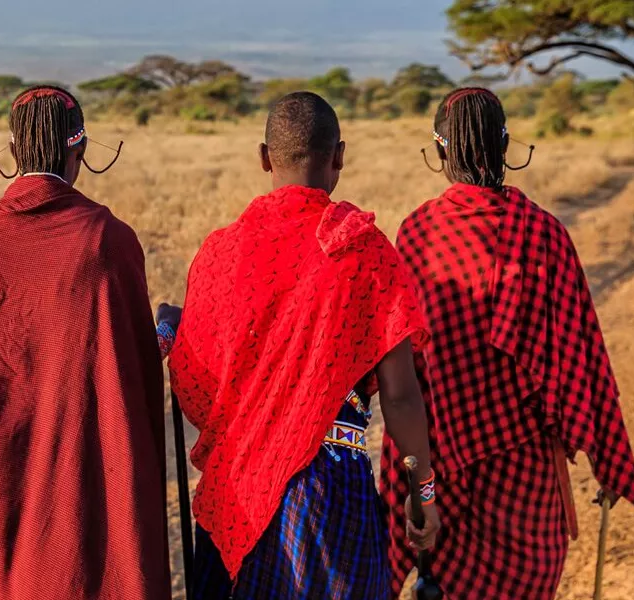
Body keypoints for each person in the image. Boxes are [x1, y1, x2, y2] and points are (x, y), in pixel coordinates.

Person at [163, 92, 440, 599]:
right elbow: (400, 396)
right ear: (339, 157)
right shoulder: (366, 251)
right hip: (332, 498)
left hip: (237, 489)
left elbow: (194, 388)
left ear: (265, 158)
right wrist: (424, 493)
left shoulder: (220, 253)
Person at [0, 85, 170, 600]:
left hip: (4, 487)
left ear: (12, 151)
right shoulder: (109, 239)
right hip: (84, 489)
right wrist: (165, 332)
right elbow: (132, 367)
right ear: (80, 152)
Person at [391, 87, 634, 599]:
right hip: (525, 478)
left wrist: (422, 488)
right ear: (505, 145)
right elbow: (584, 357)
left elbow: (405, 374)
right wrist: (608, 459)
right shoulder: (544, 233)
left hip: (439, 469)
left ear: (441, 151)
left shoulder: (417, 233)